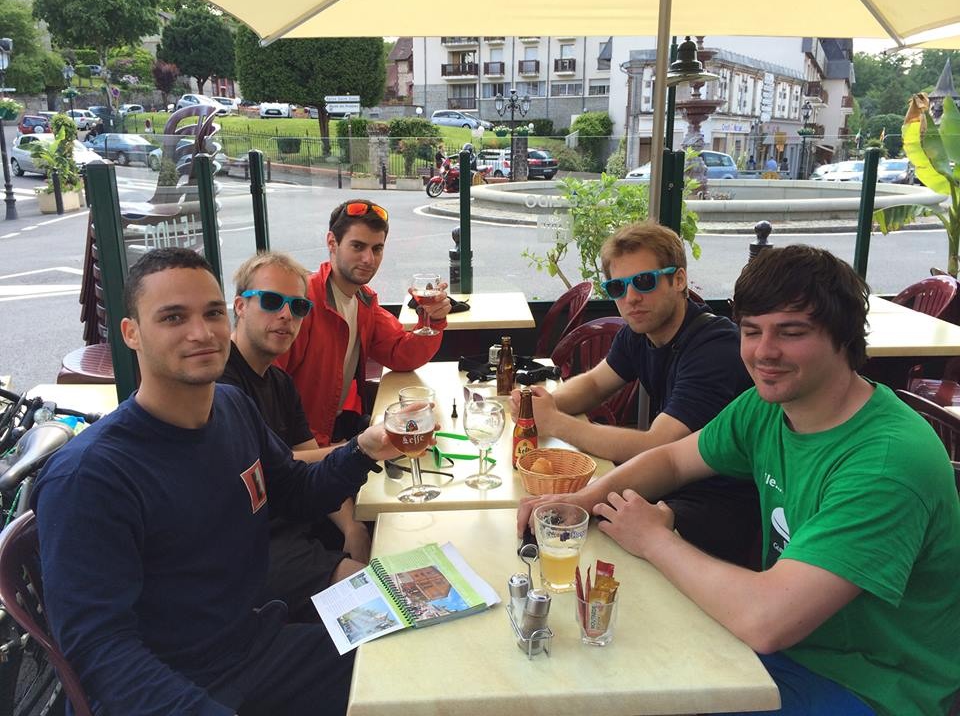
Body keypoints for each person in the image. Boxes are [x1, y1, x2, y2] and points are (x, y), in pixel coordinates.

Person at [520, 245, 960, 716]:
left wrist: (654, 540)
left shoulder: (886, 464)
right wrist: (581, 502)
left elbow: (765, 619)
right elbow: (670, 460)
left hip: (871, 688)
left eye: (791, 333)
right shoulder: (768, 407)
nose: (764, 352)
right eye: (751, 331)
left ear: (843, 337)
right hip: (788, 651)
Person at [33, 247, 401, 715]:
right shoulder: (90, 477)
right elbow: (101, 652)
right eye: (172, 317)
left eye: (211, 313)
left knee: (408, 667)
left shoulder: (232, 407)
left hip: (250, 646)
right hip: (183, 683)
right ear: (132, 334)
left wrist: (366, 448)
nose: (201, 332)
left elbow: (298, 494)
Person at [511, 222, 759, 565]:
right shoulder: (640, 333)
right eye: (617, 287)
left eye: (645, 282)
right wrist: (542, 404)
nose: (630, 298)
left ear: (679, 280)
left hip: (723, 511)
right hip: (670, 488)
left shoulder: (714, 347)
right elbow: (596, 384)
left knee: (577, 550)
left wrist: (556, 423)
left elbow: (659, 446)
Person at [219, 251, 374, 622]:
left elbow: (308, 468)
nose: (287, 315)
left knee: (381, 533)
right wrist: (358, 447)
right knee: (378, 597)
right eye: (272, 302)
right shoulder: (220, 385)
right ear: (240, 306)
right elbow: (279, 467)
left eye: (299, 307)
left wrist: (351, 526)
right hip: (255, 547)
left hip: (295, 522)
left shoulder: (279, 381)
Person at [276, 199, 452, 446]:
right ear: (332, 243)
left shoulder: (363, 301)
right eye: (357, 246)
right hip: (301, 445)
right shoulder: (303, 301)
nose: (368, 258)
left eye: (377, 249)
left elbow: (401, 354)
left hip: (335, 432)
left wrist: (433, 320)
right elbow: (267, 387)